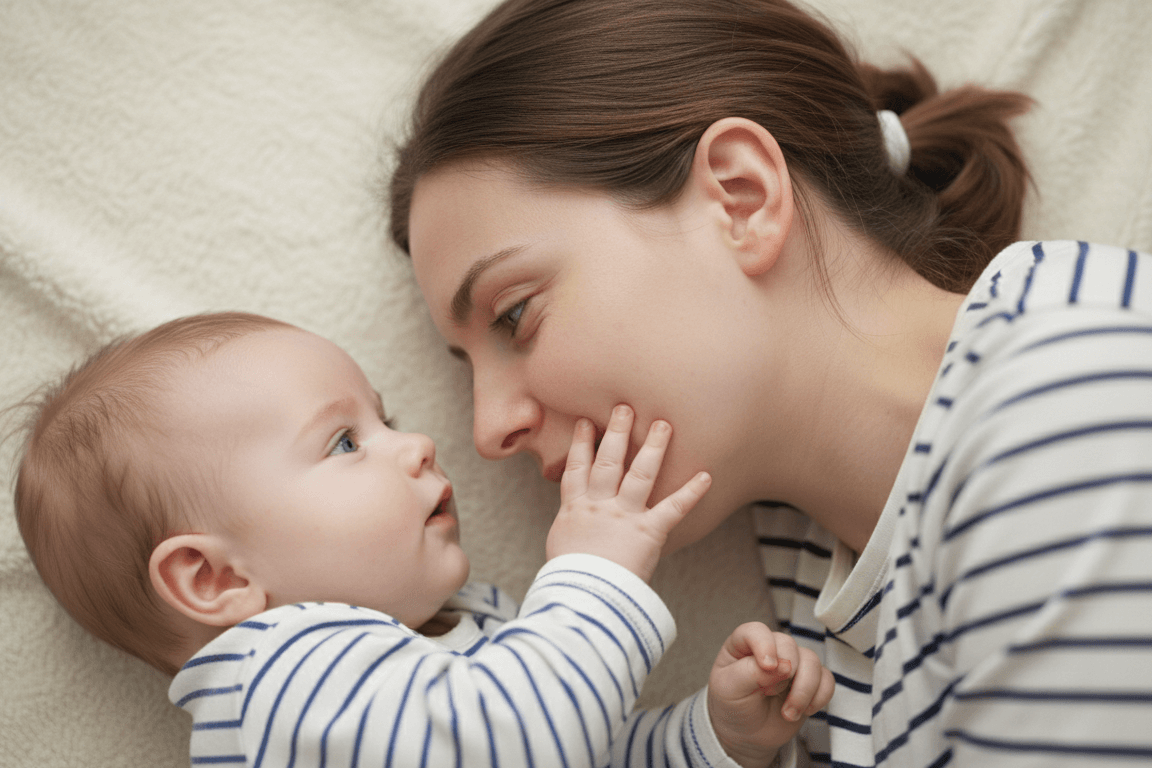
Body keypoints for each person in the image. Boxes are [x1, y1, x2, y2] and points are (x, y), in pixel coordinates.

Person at [389, 0, 1152, 765]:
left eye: (514, 314)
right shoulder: (811, 577)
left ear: (741, 198)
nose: (488, 431)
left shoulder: (1069, 402)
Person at [12, 311, 834, 768]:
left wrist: (713, 739)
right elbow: (527, 740)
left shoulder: (469, 637)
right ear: (214, 579)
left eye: (386, 419)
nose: (416, 445)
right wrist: (595, 567)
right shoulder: (277, 680)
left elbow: (587, 747)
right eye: (343, 442)